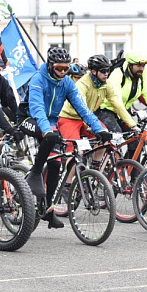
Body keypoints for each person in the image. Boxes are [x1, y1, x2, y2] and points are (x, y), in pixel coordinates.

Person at [16, 46, 112, 228]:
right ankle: (35, 173)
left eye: (65, 68)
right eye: (58, 68)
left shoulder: (67, 83)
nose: (62, 72)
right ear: (50, 65)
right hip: (28, 118)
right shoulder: (38, 79)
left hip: (50, 121)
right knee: (49, 138)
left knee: (55, 163)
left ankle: (49, 210)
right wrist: (48, 130)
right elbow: (36, 109)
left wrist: (99, 129)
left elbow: (83, 109)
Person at [98, 51, 147, 132]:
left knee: (135, 137)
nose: (141, 69)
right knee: (117, 137)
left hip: (124, 110)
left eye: (143, 66)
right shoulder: (118, 74)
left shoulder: (142, 75)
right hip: (107, 110)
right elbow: (116, 101)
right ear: (130, 65)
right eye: (139, 65)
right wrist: (131, 123)